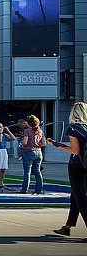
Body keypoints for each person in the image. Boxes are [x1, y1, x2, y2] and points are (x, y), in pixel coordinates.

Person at [49, 101, 87, 240]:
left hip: (77, 166)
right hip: (86, 164)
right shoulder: (86, 127)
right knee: (75, 197)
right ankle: (68, 227)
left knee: (81, 199)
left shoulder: (73, 128)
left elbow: (75, 151)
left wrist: (57, 145)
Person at [19, 114, 46, 195]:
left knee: (27, 171)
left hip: (29, 152)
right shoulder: (40, 131)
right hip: (38, 152)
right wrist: (38, 145)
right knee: (37, 171)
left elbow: (25, 142)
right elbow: (43, 143)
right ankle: (39, 189)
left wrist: (23, 146)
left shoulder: (27, 131)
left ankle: (25, 189)